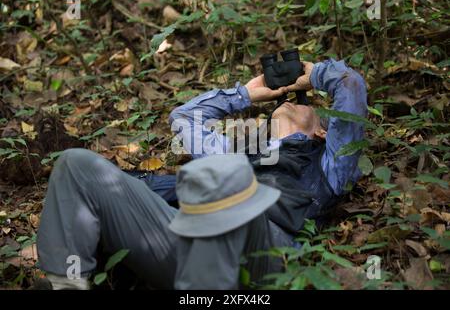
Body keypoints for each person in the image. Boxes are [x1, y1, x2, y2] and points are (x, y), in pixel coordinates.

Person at [35, 58, 367, 289]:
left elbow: (351, 87)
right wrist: (245, 94)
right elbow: (184, 118)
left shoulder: (329, 164)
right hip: (187, 246)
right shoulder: (242, 151)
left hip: (263, 258)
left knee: (227, 178)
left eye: (304, 100)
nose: (294, 98)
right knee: (75, 164)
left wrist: (314, 74)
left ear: (322, 132)